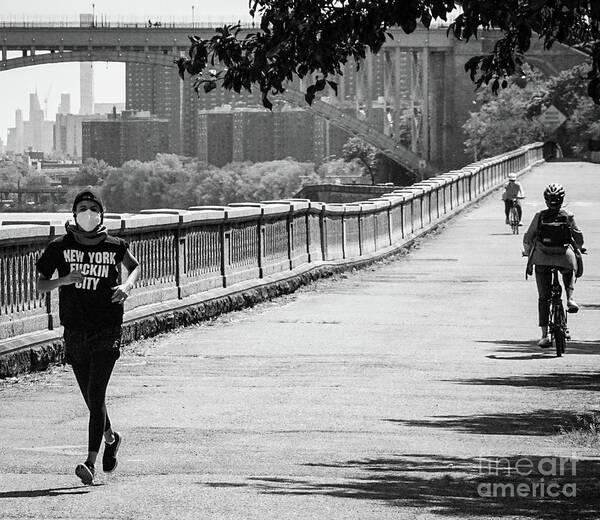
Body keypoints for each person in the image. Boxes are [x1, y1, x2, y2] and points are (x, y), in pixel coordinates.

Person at [36, 187, 140, 485]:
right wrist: (64, 279)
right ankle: (111, 438)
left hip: (107, 327)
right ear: (74, 214)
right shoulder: (59, 246)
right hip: (75, 328)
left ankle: (90, 463)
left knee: (97, 395)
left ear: (101, 214)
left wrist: (126, 286)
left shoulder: (114, 244)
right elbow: (41, 285)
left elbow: (134, 268)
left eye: (93, 208)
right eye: (82, 208)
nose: (88, 213)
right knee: (90, 397)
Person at [523, 183, 584, 347]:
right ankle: (570, 299)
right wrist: (579, 248)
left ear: (546, 200)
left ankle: (544, 336)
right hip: (564, 257)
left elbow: (528, 238)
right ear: (562, 200)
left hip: (542, 258)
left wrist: (526, 251)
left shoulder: (540, 216)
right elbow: (578, 239)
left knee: (544, 298)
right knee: (569, 270)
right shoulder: (568, 216)